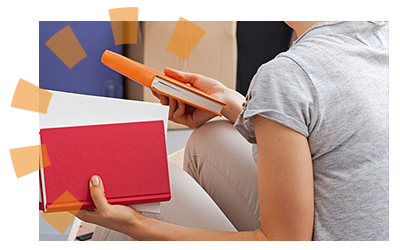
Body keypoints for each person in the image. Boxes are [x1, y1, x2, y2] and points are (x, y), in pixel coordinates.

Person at [77, 21, 389, 241]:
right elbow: (326, 134)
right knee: (211, 137)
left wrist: (137, 226)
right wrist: (230, 102)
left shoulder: (287, 75)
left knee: (149, 184)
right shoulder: (378, 37)